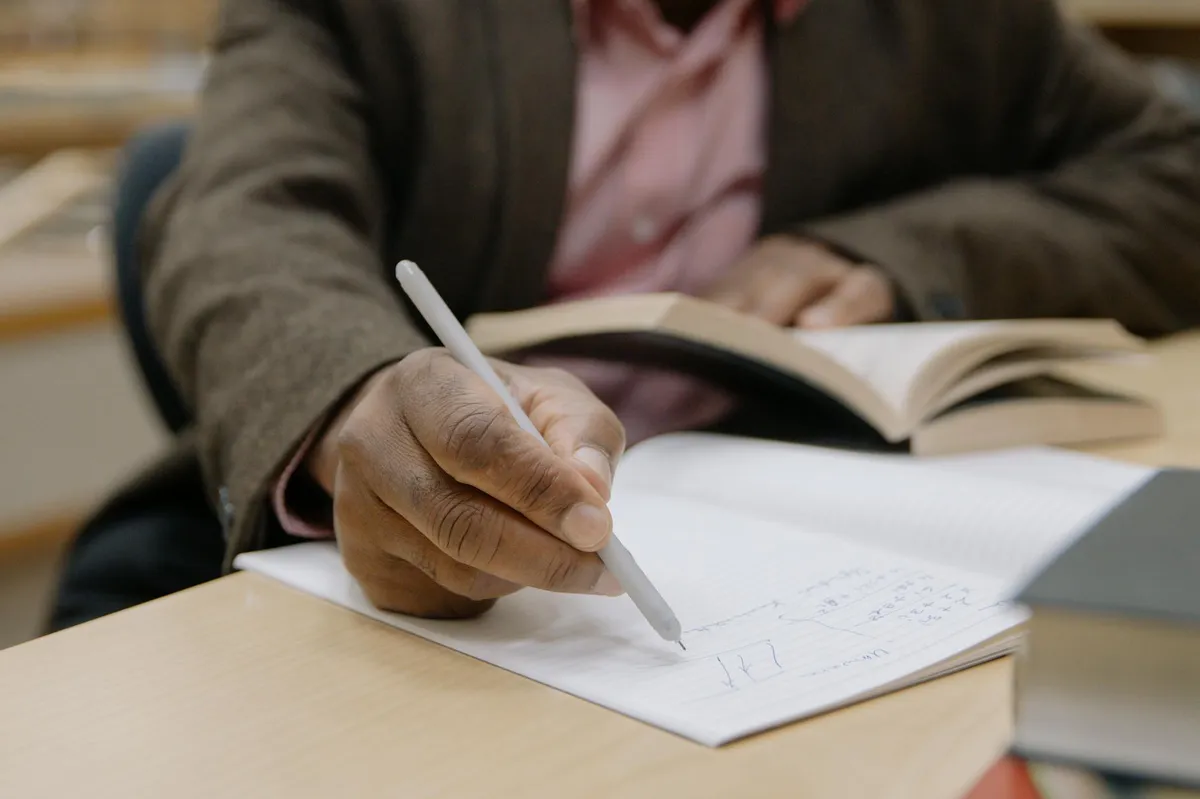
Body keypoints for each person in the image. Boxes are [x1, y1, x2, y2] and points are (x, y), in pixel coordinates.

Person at [50, 0, 1200, 628]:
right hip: (367, 562)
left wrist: (900, 252)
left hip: (808, 528)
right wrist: (362, 400)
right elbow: (239, 215)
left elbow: (1173, 175)